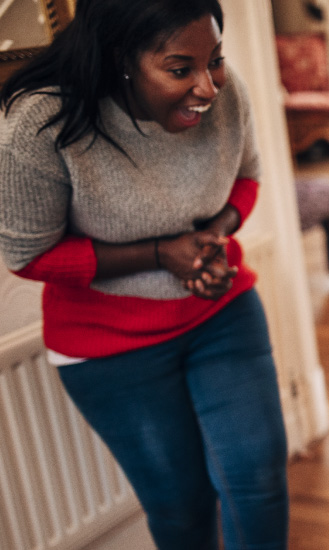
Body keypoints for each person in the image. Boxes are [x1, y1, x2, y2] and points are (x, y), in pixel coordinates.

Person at [0, 1, 289, 548]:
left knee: (260, 482)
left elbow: (245, 179)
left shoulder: (228, 97)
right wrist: (161, 254)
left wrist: (213, 239)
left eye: (217, 60)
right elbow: (29, 254)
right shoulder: (41, 124)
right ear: (121, 59)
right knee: (182, 509)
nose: (208, 87)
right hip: (109, 348)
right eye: (181, 69)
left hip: (221, 314)